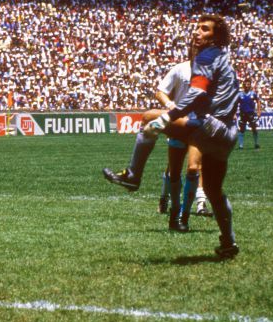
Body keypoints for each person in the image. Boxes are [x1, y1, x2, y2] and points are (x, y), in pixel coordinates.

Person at [103, 14, 240, 258]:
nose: (197, 32)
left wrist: (169, 116)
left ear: (215, 37)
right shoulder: (225, 59)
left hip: (207, 127)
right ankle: (228, 242)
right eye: (197, 28)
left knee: (148, 118)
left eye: (204, 29)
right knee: (213, 189)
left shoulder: (207, 56)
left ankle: (133, 176)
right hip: (227, 135)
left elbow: (196, 93)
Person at [154, 41, 208, 232]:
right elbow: (160, 92)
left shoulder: (212, 71)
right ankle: (173, 210)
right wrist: (170, 106)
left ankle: (185, 215)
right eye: (195, 47)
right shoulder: (179, 69)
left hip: (199, 127)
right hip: (179, 125)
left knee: (193, 168)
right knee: (174, 171)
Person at [237, 79, 261, 149]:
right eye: (245, 84)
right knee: (242, 129)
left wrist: (259, 111)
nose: (247, 86)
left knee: (254, 128)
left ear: (250, 85)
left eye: (248, 84)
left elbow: (258, 101)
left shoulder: (253, 93)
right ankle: (241, 145)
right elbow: (235, 104)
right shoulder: (240, 94)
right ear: (243, 85)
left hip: (251, 113)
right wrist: (234, 113)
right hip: (243, 114)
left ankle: (256, 144)